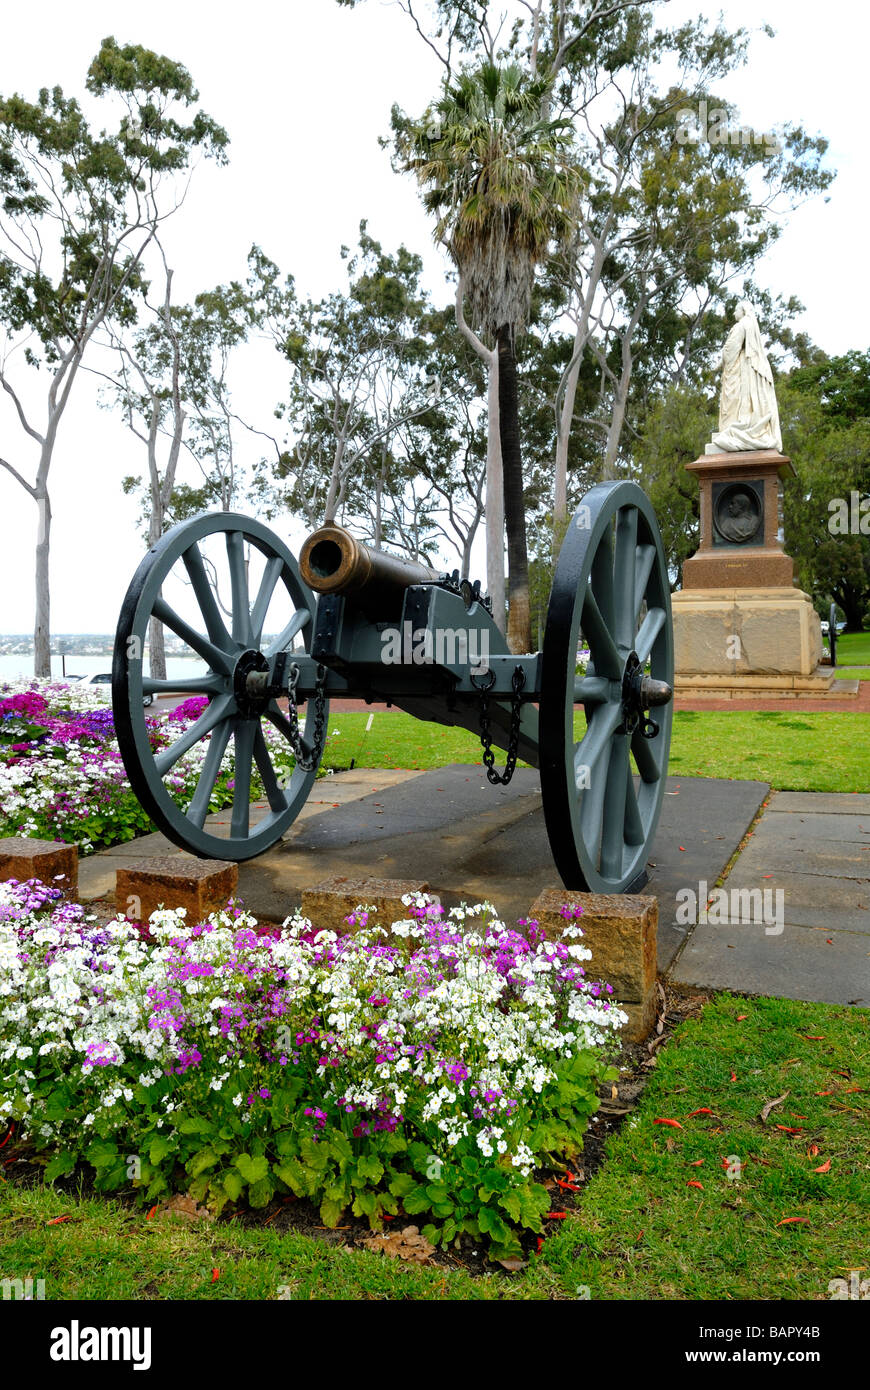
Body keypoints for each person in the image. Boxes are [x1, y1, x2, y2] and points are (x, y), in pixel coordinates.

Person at [707, 301, 783, 453]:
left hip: (742, 369)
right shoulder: (752, 325)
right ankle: (747, 427)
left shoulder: (741, 325)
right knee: (749, 401)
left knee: (735, 400)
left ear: (743, 311)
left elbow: (731, 350)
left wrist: (719, 363)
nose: (734, 313)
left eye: (736, 310)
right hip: (751, 368)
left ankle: (733, 429)